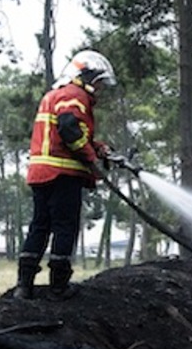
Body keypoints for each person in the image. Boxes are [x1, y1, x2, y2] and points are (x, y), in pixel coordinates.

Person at [14, 50, 116, 300]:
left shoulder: (54, 95)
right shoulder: (75, 95)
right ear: (87, 75)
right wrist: (91, 160)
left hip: (40, 173)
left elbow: (66, 131)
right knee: (64, 227)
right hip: (63, 173)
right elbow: (70, 129)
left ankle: (24, 285)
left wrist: (98, 147)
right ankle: (59, 286)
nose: (99, 89)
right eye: (99, 83)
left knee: (39, 226)